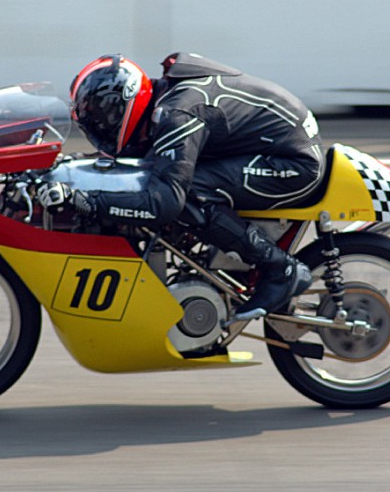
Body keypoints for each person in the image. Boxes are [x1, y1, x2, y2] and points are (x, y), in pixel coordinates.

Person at [37, 52, 324, 320]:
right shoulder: (166, 98)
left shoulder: (178, 114)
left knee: (187, 193)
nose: (99, 130)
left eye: (101, 120)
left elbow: (165, 204)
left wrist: (88, 201)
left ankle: (280, 269)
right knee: (165, 174)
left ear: (122, 105)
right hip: (269, 146)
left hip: (294, 163)